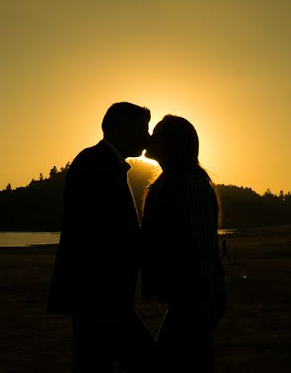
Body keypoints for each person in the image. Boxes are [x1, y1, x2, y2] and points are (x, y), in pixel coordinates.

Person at [47, 102, 155, 372]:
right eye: (143, 128)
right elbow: (101, 234)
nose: (147, 136)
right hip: (100, 298)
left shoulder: (103, 163)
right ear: (120, 128)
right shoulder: (95, 163)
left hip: (101, 298)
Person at [141, 115, 223, 372]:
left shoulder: (190, 185)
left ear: (171, 145)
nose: (149, 138)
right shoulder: (165, 184)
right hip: (184, 298)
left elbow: (202, 250)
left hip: (194, 299)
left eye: (157, 134)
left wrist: (201, 303)